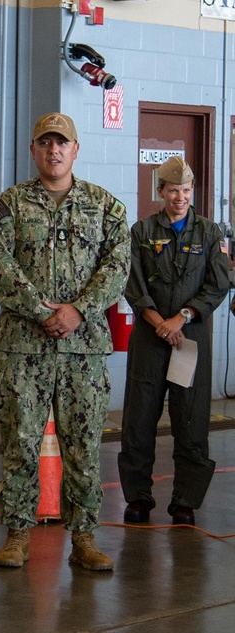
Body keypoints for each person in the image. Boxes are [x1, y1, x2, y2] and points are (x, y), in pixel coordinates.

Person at [0, 112, 130, 571]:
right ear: (33, 151)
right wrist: (42, 310)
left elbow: (117, 266)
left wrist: (77, 310)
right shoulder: (8, 206)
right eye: (45, 143)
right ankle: (17, 534)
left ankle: (84, 538)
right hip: (23, 347)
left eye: (61, 143)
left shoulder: (106, 207)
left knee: (84, 445)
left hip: (83, 349)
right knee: (20, 441)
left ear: (76, 150)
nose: (54, 151)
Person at [117, 156, 228, 527]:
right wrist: (159, 322)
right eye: (172, 190)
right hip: (150, 339)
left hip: (189, 340)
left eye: (185, 190)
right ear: (160, 191)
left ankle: (185, 502)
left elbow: (218, 285)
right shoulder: (142, 232)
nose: (179, 197)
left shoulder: (210, 233)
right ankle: (137, 498)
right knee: (139, 421)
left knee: (192, 421)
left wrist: (181, 318)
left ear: (191, 191)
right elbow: (133, 285)